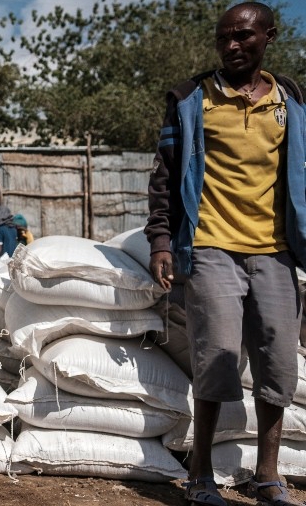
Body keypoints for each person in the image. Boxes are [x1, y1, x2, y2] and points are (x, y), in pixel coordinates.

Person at [145, 3, 305, 505]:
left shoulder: (292, 101)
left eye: (243, 36)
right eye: (223, 38)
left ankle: (268, 474)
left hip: (276, 251)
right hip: (212, 244)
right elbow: (165, 176)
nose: (233, 46)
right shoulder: (193, 97)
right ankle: (200, 474)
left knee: (278, 364)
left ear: (269, 37)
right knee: (216, 355)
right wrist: (161, 240)